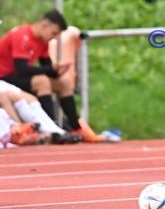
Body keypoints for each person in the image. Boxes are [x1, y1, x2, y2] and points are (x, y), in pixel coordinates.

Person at [0, 9, 101, 142]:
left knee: (63, 83)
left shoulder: (42, 41)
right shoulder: (22, 35)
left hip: (18, 77)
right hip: (5, 76)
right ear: (44, 25)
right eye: (54, 33)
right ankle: (53, 127)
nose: (54, 37)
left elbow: (46, 68)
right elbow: (22, 69)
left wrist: (57, 71)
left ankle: (76, 126)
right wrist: (49, 70)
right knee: (41, 81)